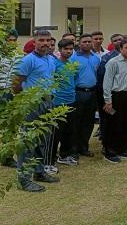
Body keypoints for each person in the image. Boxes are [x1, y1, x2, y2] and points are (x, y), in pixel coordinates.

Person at [13, 29, 58, 192]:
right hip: (32, 104)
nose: (45, 43)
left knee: (42, 140)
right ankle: (24, 179)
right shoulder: (28, 60)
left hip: (47, 103)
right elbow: (17, 83)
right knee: (28, 141)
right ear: (34, 41)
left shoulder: (50, 59)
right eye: (41, 40)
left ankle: (39, 172)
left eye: (48, 40)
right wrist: (24, 101)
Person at [0, 29, 21, 168]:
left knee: (11, 126)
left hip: (12, 92)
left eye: (14, 40)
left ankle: (6, 157)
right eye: (9, 40)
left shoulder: (17, 56)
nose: (12, 43)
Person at [101, 38, 127, 164]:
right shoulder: (113, 62)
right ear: (120, 49)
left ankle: (121, 148)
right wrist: (108, 100)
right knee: (114, 124)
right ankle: (109, 151)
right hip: (116, 97)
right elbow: (107, 82)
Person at [51, 39, 80, 167]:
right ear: (60, 49)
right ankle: (51, 158)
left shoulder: (72, 63)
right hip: (57, 102)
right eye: (66, 49)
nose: (68, 51)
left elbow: (74, 79)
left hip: (71, 100)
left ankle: (65, 155)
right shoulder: (54, 64)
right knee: (56, 132)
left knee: (69, 131)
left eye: (70, 49)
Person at [74, 33, 101, 158]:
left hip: (92, 93)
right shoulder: (74, 57)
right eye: (84, 42)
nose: (87, 44)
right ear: (79, 43)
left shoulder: (96, 57)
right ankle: (73, 148)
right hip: (78, 92)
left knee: (89, 122)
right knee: (76, 121)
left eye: (89, 42)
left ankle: (84, 147)